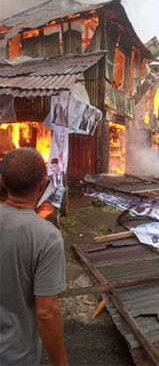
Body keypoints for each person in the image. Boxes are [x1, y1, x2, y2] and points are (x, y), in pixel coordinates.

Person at [0, 148, 68, 366]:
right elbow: (47, 313)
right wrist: (61, 363)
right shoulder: (47, 238)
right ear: (43, 184)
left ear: (2, 181)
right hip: (15, 356)